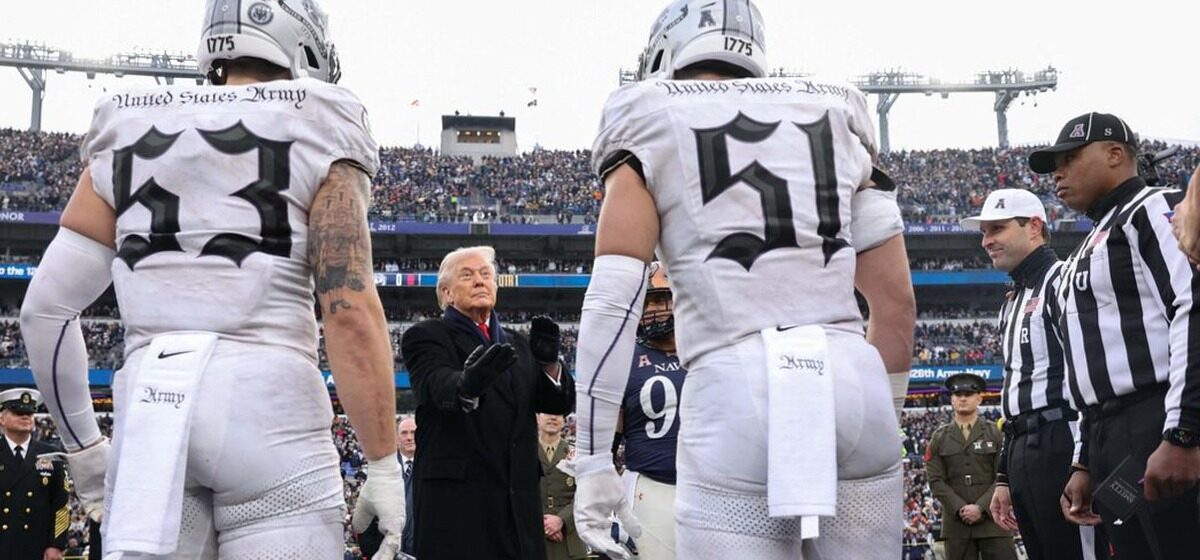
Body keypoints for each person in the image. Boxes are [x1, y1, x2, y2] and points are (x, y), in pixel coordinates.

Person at [18, 1, 406, 558]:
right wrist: (382, 463)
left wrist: (85, 449)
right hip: (270, 409)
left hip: (154, 410)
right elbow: (346, 308)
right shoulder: (321, 115)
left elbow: (43, 312)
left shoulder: (127, 119)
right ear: (304, 38)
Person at [570, 1, 914, 558]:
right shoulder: (837, 112)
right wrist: (875, 416)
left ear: (666, 48)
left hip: (736, 383)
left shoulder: (649, 114)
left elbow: (613, 304)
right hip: (853, 376)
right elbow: (896, 305)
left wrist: (590, 460)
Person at [1031, 112, 1200, 559]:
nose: (1058, 173)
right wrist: (1084, 458)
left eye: (1069, 158)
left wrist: (1185, 431)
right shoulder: (1091, 240)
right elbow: (1087, 365)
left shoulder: (1152, 208)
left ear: (1114, 154)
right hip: (1110, 433)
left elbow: (1192, 305)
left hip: (1154, 417)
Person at [400, 245, 576, 559]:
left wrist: (550, 365)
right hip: (460, 510)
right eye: (467, 276)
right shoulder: (426, 335)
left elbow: (557, 404)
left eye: (486, 275)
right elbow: (434, 384)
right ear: (447, 293)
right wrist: (467, 384)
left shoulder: (518, 343)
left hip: (518, 510)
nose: (480, 281)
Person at [960, 189, 1102, 559]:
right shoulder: (1011, 300)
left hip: (1062, 440)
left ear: (1034, 226)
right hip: (1024, 446)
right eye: (984, 231)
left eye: (997, 229)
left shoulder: (1063, 282)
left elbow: (1090, 379)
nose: (986, 240)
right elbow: (1015, 396)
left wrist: (1082, 461)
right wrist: (1005, 476)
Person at [613, 261, 686, 559]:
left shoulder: (708, 350)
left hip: (711, 487)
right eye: (647, 301)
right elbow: (610, 438)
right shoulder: (624, 358)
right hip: (651, 487)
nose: (652, 309)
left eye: (659, 299)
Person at [924, 374, 1017, 560]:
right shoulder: (939, 437)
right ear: (951, 399)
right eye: (958, 394)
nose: (963, 398)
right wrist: (960, 509)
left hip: (994, 521)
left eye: (968, 393)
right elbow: (935, 481)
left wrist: (980, 508)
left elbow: (1004, 475)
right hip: (957, 526)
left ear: (979, 398)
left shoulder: (995, 433)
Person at [0, 389, 68, 560]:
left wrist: (56, 544)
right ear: (2, 419)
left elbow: (61, 505)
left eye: (30, 413)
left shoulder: (51, 454)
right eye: (18, 412)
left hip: (37, 547)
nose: (26, 417)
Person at [357, 416, 417, 557]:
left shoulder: (432, 470)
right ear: (396, 439)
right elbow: (366, 521)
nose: (409, 437)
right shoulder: (381, 470)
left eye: (414, 432)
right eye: (404, 433)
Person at [537, 413, 589, 560]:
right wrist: (541, 522)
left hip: (569, 543)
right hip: (533, 541)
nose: (553, 418)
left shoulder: (578, 455)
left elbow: (587, 496)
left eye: (558, 414)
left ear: (563, 420)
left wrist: (561, 520)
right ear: (536, 417)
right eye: (547, 412)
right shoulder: (523, 453)